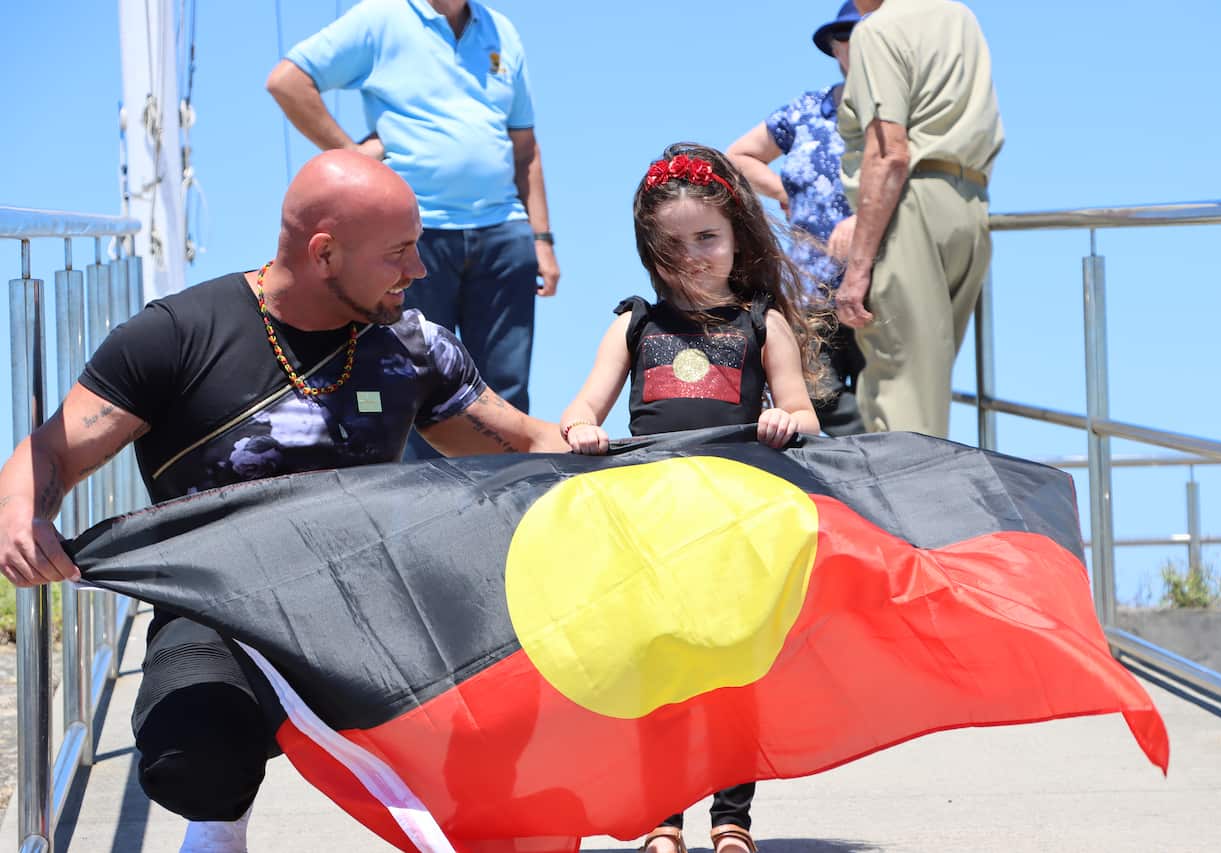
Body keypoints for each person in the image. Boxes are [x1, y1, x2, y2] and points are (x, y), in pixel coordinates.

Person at [0, 150, 565, 853]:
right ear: (324, 253)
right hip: (220, 609)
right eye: (398, 253)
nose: (418, 271)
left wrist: (603, 448)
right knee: (190, 751)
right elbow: (50, 451)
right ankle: (220, 821)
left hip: (370, 607)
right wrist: (24, 514)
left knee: (509, 721)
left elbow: (523, 440)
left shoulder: (409, 344)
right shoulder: (178, 334)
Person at [558, 143, 822, 853]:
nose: (694, 255)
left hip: (736, 529)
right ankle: (662, 817)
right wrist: (582, 428)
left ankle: (731, 819)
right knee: (660, 675)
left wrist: (783, 421)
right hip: (650, 531)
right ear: (650, 248)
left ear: (737, 235)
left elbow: (805, 414)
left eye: (708, 237)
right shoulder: (635, 324)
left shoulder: (761, 324)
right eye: (674, 244)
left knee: (733, 677)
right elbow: (582, 406)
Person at [267, 0, 559, 461]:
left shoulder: (501, 32)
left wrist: (542, 238)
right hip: (412, 240)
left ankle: (507, 513)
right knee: (412, 384)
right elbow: (287, 81)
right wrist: (351, 155)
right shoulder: (381, 17)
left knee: (506, 396)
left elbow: (525, 148)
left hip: (504, 232)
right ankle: (422, 519)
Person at [833, 0, 1004, 438]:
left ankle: (911, 506)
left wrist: (856, 269)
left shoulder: (876, 30)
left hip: (909, 208)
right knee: (927, 389)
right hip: (968, 204)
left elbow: (890, 154)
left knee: (900, 397)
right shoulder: (959, 16)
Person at [727, 1, 866, 436]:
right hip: (811, 290)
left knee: (888, 400)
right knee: (819, 397)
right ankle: (861, 457)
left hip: (878, 286)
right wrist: (785, 191)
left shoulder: (895, 114)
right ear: (835, 50)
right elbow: (738, 156)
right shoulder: (807, 110)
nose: (855, 47)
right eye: (844, 38)